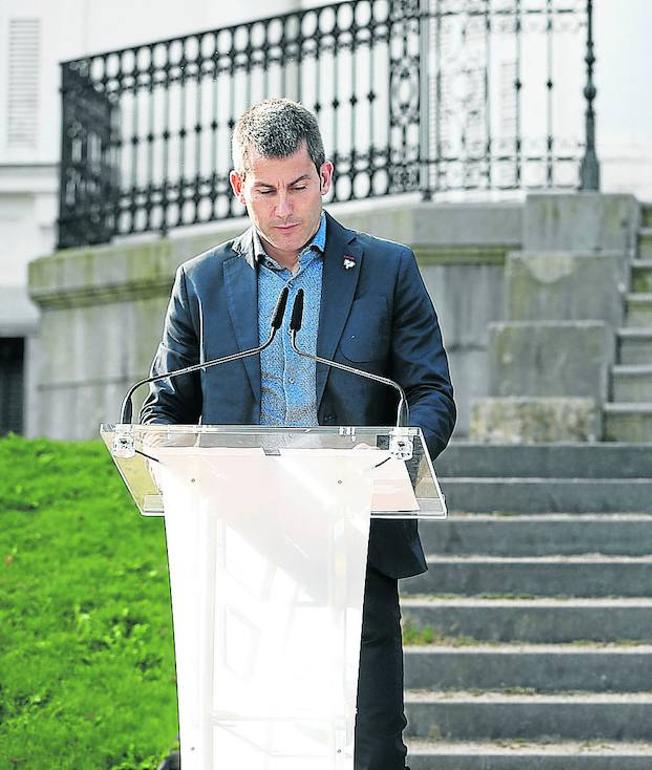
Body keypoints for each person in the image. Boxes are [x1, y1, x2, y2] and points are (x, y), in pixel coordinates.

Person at [142, 97, 455, 770]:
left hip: (355, 537)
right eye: (265, 190)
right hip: (241, 553)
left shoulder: (387, 269)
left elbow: (430, 393)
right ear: (239, 186)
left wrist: (391, 465)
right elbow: (165, 408)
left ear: (326, 176)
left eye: (298, 187)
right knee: (246, 748)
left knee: (369, 750)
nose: (283, 208)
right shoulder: (199, 284)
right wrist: (174, 460)